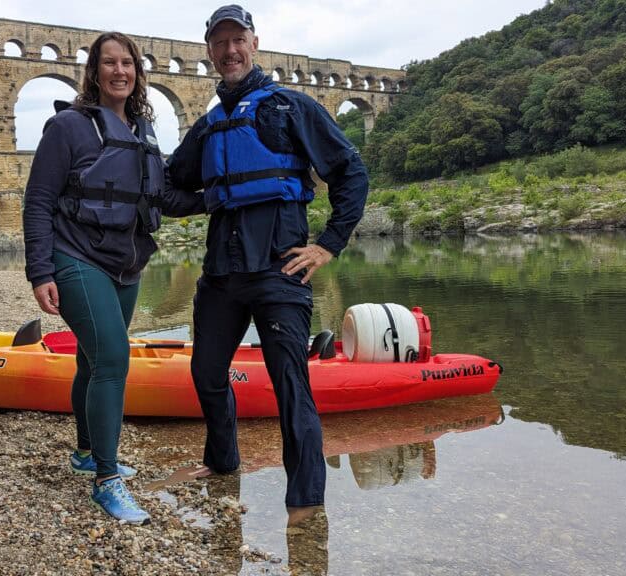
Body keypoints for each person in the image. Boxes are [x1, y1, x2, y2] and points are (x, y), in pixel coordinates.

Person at [166, 5, 369, 509]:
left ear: (254, 44)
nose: (230, 50)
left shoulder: (290, 107)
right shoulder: (208, 127)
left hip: (281, 269)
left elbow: (350, 171)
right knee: (207, 374)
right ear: (210, 52)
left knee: (290, 387)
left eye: (238, 40)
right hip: (221, 274)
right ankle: (222, 462)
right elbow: (169, 189)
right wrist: (211, 197)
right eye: (220, 43)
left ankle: (305, 505)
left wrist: (328, 244)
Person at [22, 31, 204, 524]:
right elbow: (38, 200)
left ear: (138, 73)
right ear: (94, 72)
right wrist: (40, 270)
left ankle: (85, 452)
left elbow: (162, 197)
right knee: (112, 359)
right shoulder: (67, 127)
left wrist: (220, 197)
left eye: (128, 63)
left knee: (92, 358)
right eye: (109, 63)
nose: (119, 71)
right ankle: (107, 479)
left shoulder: (143, 130)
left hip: (128, 264)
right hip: (76, 256)